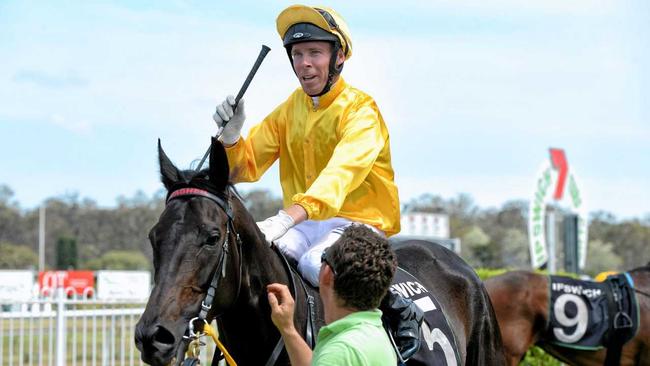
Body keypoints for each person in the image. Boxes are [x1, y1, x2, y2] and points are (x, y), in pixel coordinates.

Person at [213, 4, 423, 360]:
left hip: (360, 222)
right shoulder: (290, 108)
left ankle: (399, 312)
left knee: (314, 265)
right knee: (263, 260)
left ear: (338, 57)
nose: (304, 63)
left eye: (314, 53)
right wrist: (231, 138)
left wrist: (286, 218)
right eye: (297, 54)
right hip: (309, 220)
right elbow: (246, 167)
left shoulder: (361, 111)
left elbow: (338, 178)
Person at [267, 225, 397, 365]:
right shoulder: (374, 332)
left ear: (327, 273)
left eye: (323, 256)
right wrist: (288, 329)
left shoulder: (339, 352)